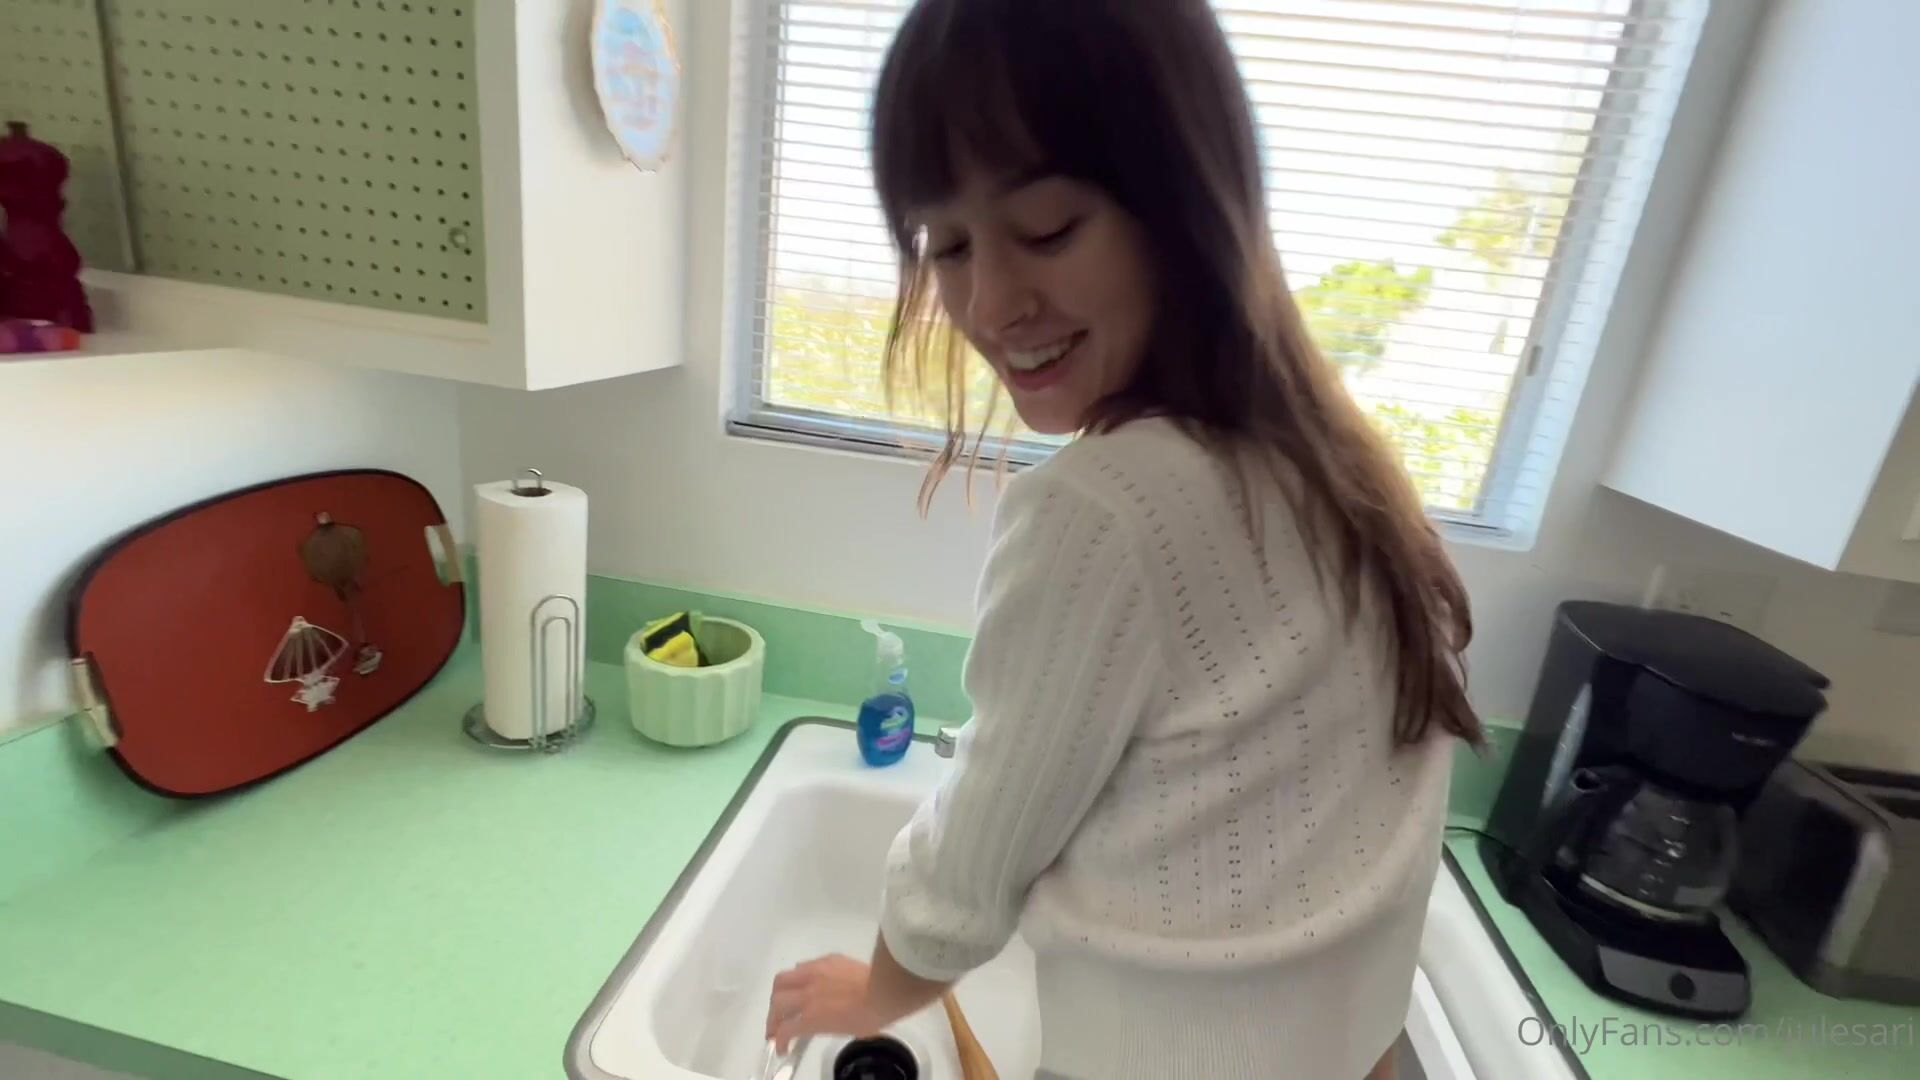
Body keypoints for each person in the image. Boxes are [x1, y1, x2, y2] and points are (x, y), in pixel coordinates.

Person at [765, 1, 1482, 1076]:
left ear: (1182, 207)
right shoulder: (1344, 474)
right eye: (946, 245)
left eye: (1048, 229)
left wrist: (880, 990)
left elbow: (968, 876)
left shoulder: (1101, 509)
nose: (989, 302)